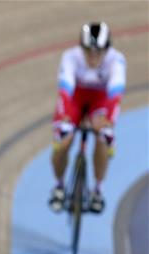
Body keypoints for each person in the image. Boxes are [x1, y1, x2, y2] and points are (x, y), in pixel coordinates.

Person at [49, 22, 126, 214]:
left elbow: (115, 93)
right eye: (88, 52)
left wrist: (105, 122)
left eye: (98, 52)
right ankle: (59, 186)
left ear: (107, 49)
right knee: (63, 138)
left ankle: (97, 190)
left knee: (103, 137)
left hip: (100, 102)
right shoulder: (70, 57)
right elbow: (65, 90)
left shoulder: (117, 60)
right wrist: (66, 119)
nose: (92, 57)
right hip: (75, 100)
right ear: (81, 48)